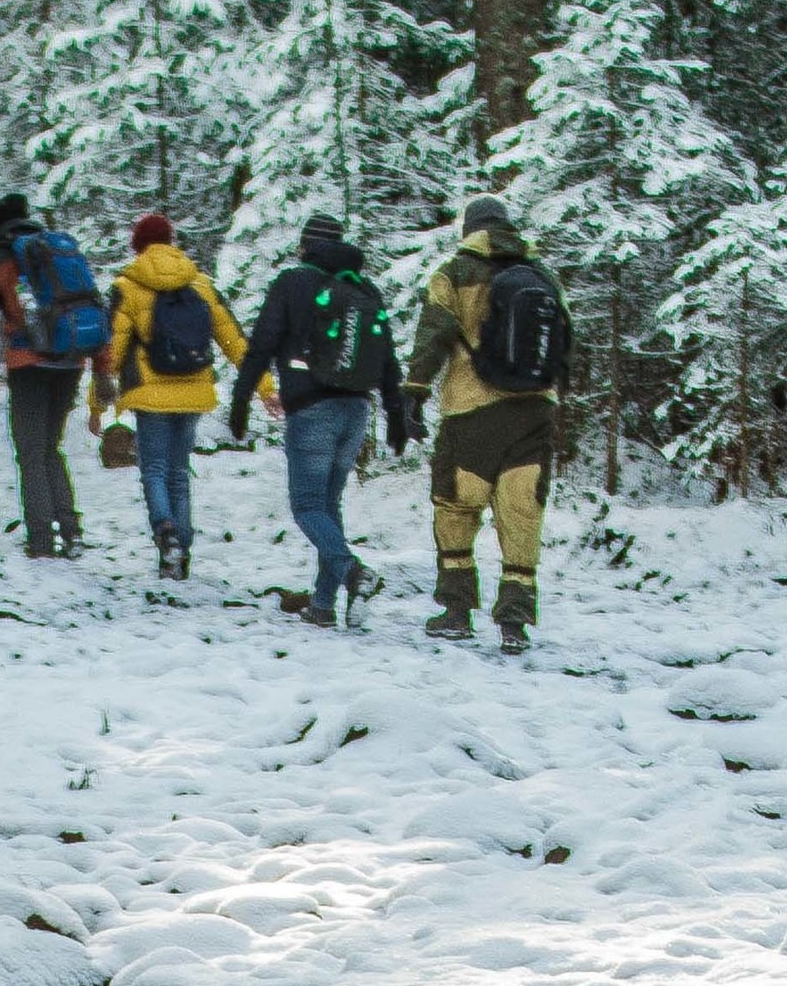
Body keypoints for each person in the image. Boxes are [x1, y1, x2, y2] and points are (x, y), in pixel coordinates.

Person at [403, 196, 571, 655]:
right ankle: (515, 617)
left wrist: (414, 390)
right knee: (522, 509)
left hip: (471, 411)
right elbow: (566, 340)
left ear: (469, 230)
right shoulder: (543, 276)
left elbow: (434, 332)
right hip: (534, 410)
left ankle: (457, 610)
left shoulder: (456, 271)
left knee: (457, 506)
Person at [233, 213, 410, 630]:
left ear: (304, 245)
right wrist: (396, 413)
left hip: (312, 409)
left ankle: (353, 572)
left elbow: (262, 344)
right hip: (356, 410)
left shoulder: (292, 283)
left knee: (308, 508)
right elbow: (386, 356)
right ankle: (324, 606)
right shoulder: (362, 289)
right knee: (328, 508)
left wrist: (241, 398)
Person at [0, 194, 116, 559]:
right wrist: (103, 370)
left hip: (29, 364)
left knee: (29, 452)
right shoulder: (58, 254)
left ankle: (41, 540)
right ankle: (71, 532)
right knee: (50, 447)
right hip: (70, 361)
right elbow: (89, 306)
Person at [109, 213, 272, 580]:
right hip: (194, 391)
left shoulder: (129, 285)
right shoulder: (200, 284)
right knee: (179, 473)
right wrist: (266, 388)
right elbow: (235, 341)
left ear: (138, 244)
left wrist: (96, 401)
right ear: (172, 242)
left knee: (153, 470)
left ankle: (166, 534)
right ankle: (180, 558)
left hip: (149, 394)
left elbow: (113, 349)